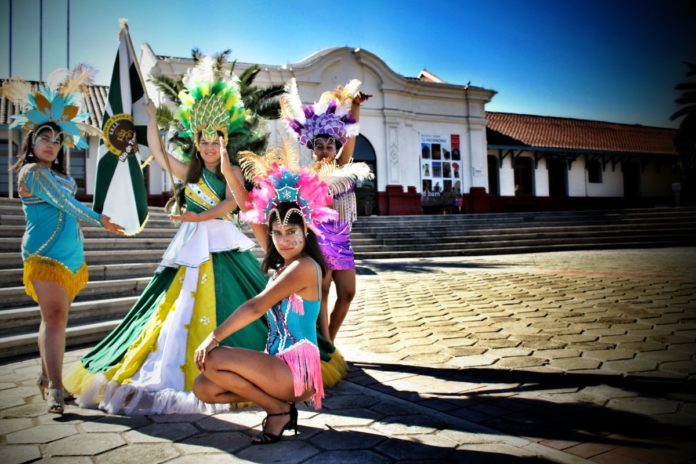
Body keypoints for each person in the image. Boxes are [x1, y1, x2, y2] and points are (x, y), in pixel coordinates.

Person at [63, 56, 269, 414]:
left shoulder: (231, 168)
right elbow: (157, 153)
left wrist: (198, 214)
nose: (208, 148)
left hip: (221, 241)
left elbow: (231, 205)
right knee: (163, 309)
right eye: (203, 142)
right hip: (190, 242)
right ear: (195, 142)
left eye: (214, 142)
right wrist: (153, 118)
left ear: (224, 141)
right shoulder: (187, 170)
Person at [3, 68, 123, 414]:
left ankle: (46, 377)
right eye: (45, 138)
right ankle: (56, 386)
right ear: (31, 142)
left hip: (71, 255)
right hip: (45, 255)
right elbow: (66, 204)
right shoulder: (32, 173)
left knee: (56, 320)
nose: (52, 145)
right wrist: (100, 218)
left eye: (57, 140)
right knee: (54, 318)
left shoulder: (57, 174)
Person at [193, 163, 336, 444]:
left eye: (291, 232)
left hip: (296, 369)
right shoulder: (284, 263)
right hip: (276, 365)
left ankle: (277, 409)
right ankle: (279, 406)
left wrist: (214, 337)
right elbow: (248, 208)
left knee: (211, 358)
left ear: (305, 230)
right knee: (204, 387)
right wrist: (227, 168)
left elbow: (256, 307)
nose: (284, 240)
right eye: (277, 233)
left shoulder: (304, 267)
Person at [279, 78, 370, 343]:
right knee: (323, 290)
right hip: (318, 241)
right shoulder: (306, 175)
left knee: (348, 293)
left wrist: (355, 105)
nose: (325, 150)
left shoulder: (343, 168)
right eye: (319, 146)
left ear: (336, 148)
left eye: (330, 146)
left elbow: (351, 133)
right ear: (313, 149)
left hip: (342, 240)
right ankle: (326, 344)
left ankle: (330, 337)